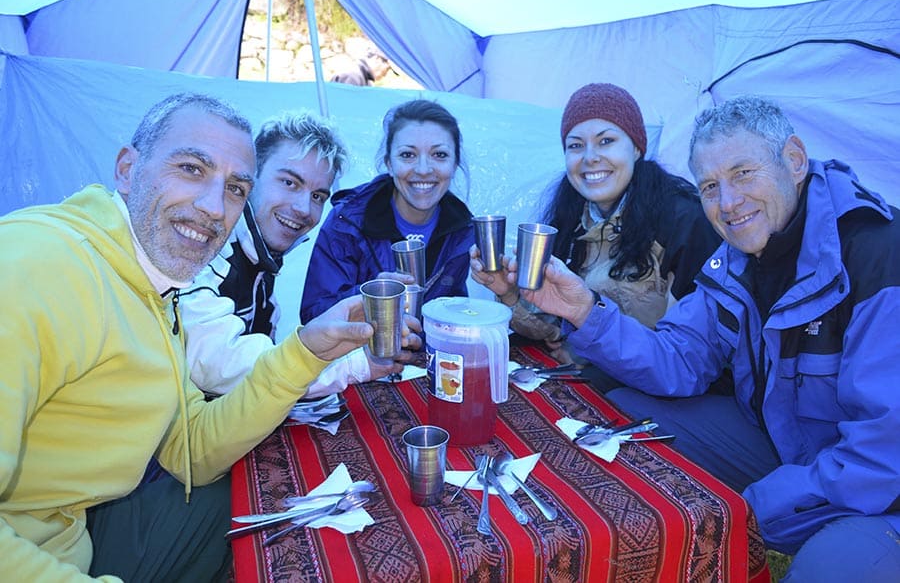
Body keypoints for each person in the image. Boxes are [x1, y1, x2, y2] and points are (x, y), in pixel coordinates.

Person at [0, 93, 400, 581]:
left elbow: (189, 448)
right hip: (49, 549)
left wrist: (306, 353)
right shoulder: (34, 265)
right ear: (127, 169)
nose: (215, 207)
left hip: (73, 533)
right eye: (192, 169)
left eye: (234, 187)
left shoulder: (156, 286)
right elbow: (217, 361)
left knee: (298, 523)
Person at [510, 96, 900, 581]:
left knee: (829, 568)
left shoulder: (879, 256)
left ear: (794, 161)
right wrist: (584, 312)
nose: (728, 203)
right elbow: (676, 360)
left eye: (742, 173)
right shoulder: (737, 257)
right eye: (711, 186)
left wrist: (744, 506)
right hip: (784, 443)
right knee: (627, 419)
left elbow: (883, 456)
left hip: (883, 492)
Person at [471, 82, 720, 366]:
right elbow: (556, 328)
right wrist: (510, 293)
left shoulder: (684, 222)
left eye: (606, 141)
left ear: (637, 148)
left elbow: (687, 360)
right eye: (576, 146)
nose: (590, 158)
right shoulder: (571, 220)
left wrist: (591, 358)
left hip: (662, 395)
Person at [180, 111, 406, 398]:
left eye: (317, 196)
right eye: (290, 183)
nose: (303, 208)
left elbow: (266, 362)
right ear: (250, 176)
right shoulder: (204, 245)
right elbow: (216, 364)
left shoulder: (262, 266)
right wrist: (358, 365)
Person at [301, 98, 474, 322]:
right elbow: (314, 314)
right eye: (407, 155)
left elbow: (451, 313)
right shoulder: (347, 222)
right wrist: (372, 297)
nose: (423, 169)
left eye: (439, 154)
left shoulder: (462, 231)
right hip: (359, 355)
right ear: (389, 164)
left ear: (454, 163)